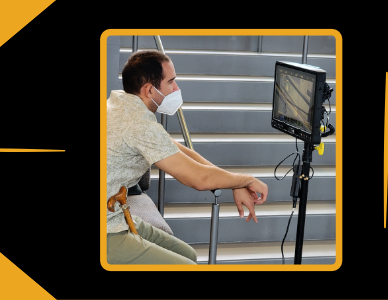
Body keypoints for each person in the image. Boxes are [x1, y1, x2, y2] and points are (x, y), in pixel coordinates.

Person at [107, 50, 269, 264]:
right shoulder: (138, 124)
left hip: (114, 216)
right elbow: (199, 179)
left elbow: (178, 150)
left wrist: (233, 182)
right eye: (171, 82)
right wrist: (247, 180)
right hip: (106, 228)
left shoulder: (122, 102)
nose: (176, 89)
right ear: (150, 90)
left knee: (188, 255)